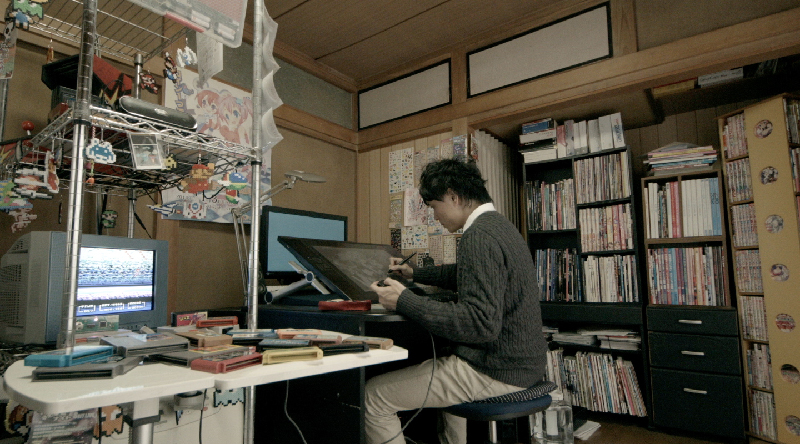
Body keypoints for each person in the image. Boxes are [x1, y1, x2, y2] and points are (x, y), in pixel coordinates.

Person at [365, 158, 547, 444]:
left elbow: (479, 324)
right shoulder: (499, 227)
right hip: (523, 364)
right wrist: (416, 273)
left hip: (497, 370)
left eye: (434, 207)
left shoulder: (479, 236)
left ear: (453, 195)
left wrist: (404, 301)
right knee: (444, 377)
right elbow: (470, 273)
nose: (435, 216)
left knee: (373, 397)